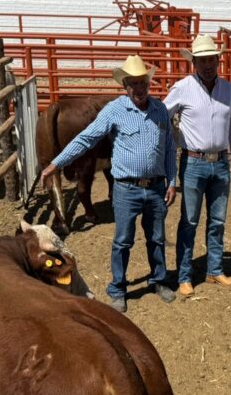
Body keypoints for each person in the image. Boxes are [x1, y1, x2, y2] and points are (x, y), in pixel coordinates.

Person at [40, 55, 177, 313]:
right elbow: (86, 138)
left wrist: (172, 180)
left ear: (148, 84)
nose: (139, 88)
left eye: (143, 83)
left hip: (156, 187)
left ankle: (159, 280)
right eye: (133, 83)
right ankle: (118, 288)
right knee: (123, 240)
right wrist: (56, 164)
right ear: (125, 85)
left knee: (156, 238)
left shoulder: (160, 110)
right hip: (127, 188)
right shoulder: (114, 110)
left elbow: (169, 148)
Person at [165, 34, 231, 297]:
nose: (209, 64)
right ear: (194, 63)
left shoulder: (228, 90)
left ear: (218, 61)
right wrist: (168, 144)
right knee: (189, 221)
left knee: (217, 221)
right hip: (193, 162)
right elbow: (162, 116)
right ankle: (185, 275)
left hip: (221, 161)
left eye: (212, 59)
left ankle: (214, 269)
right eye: (203, 60)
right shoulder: (182, 87)